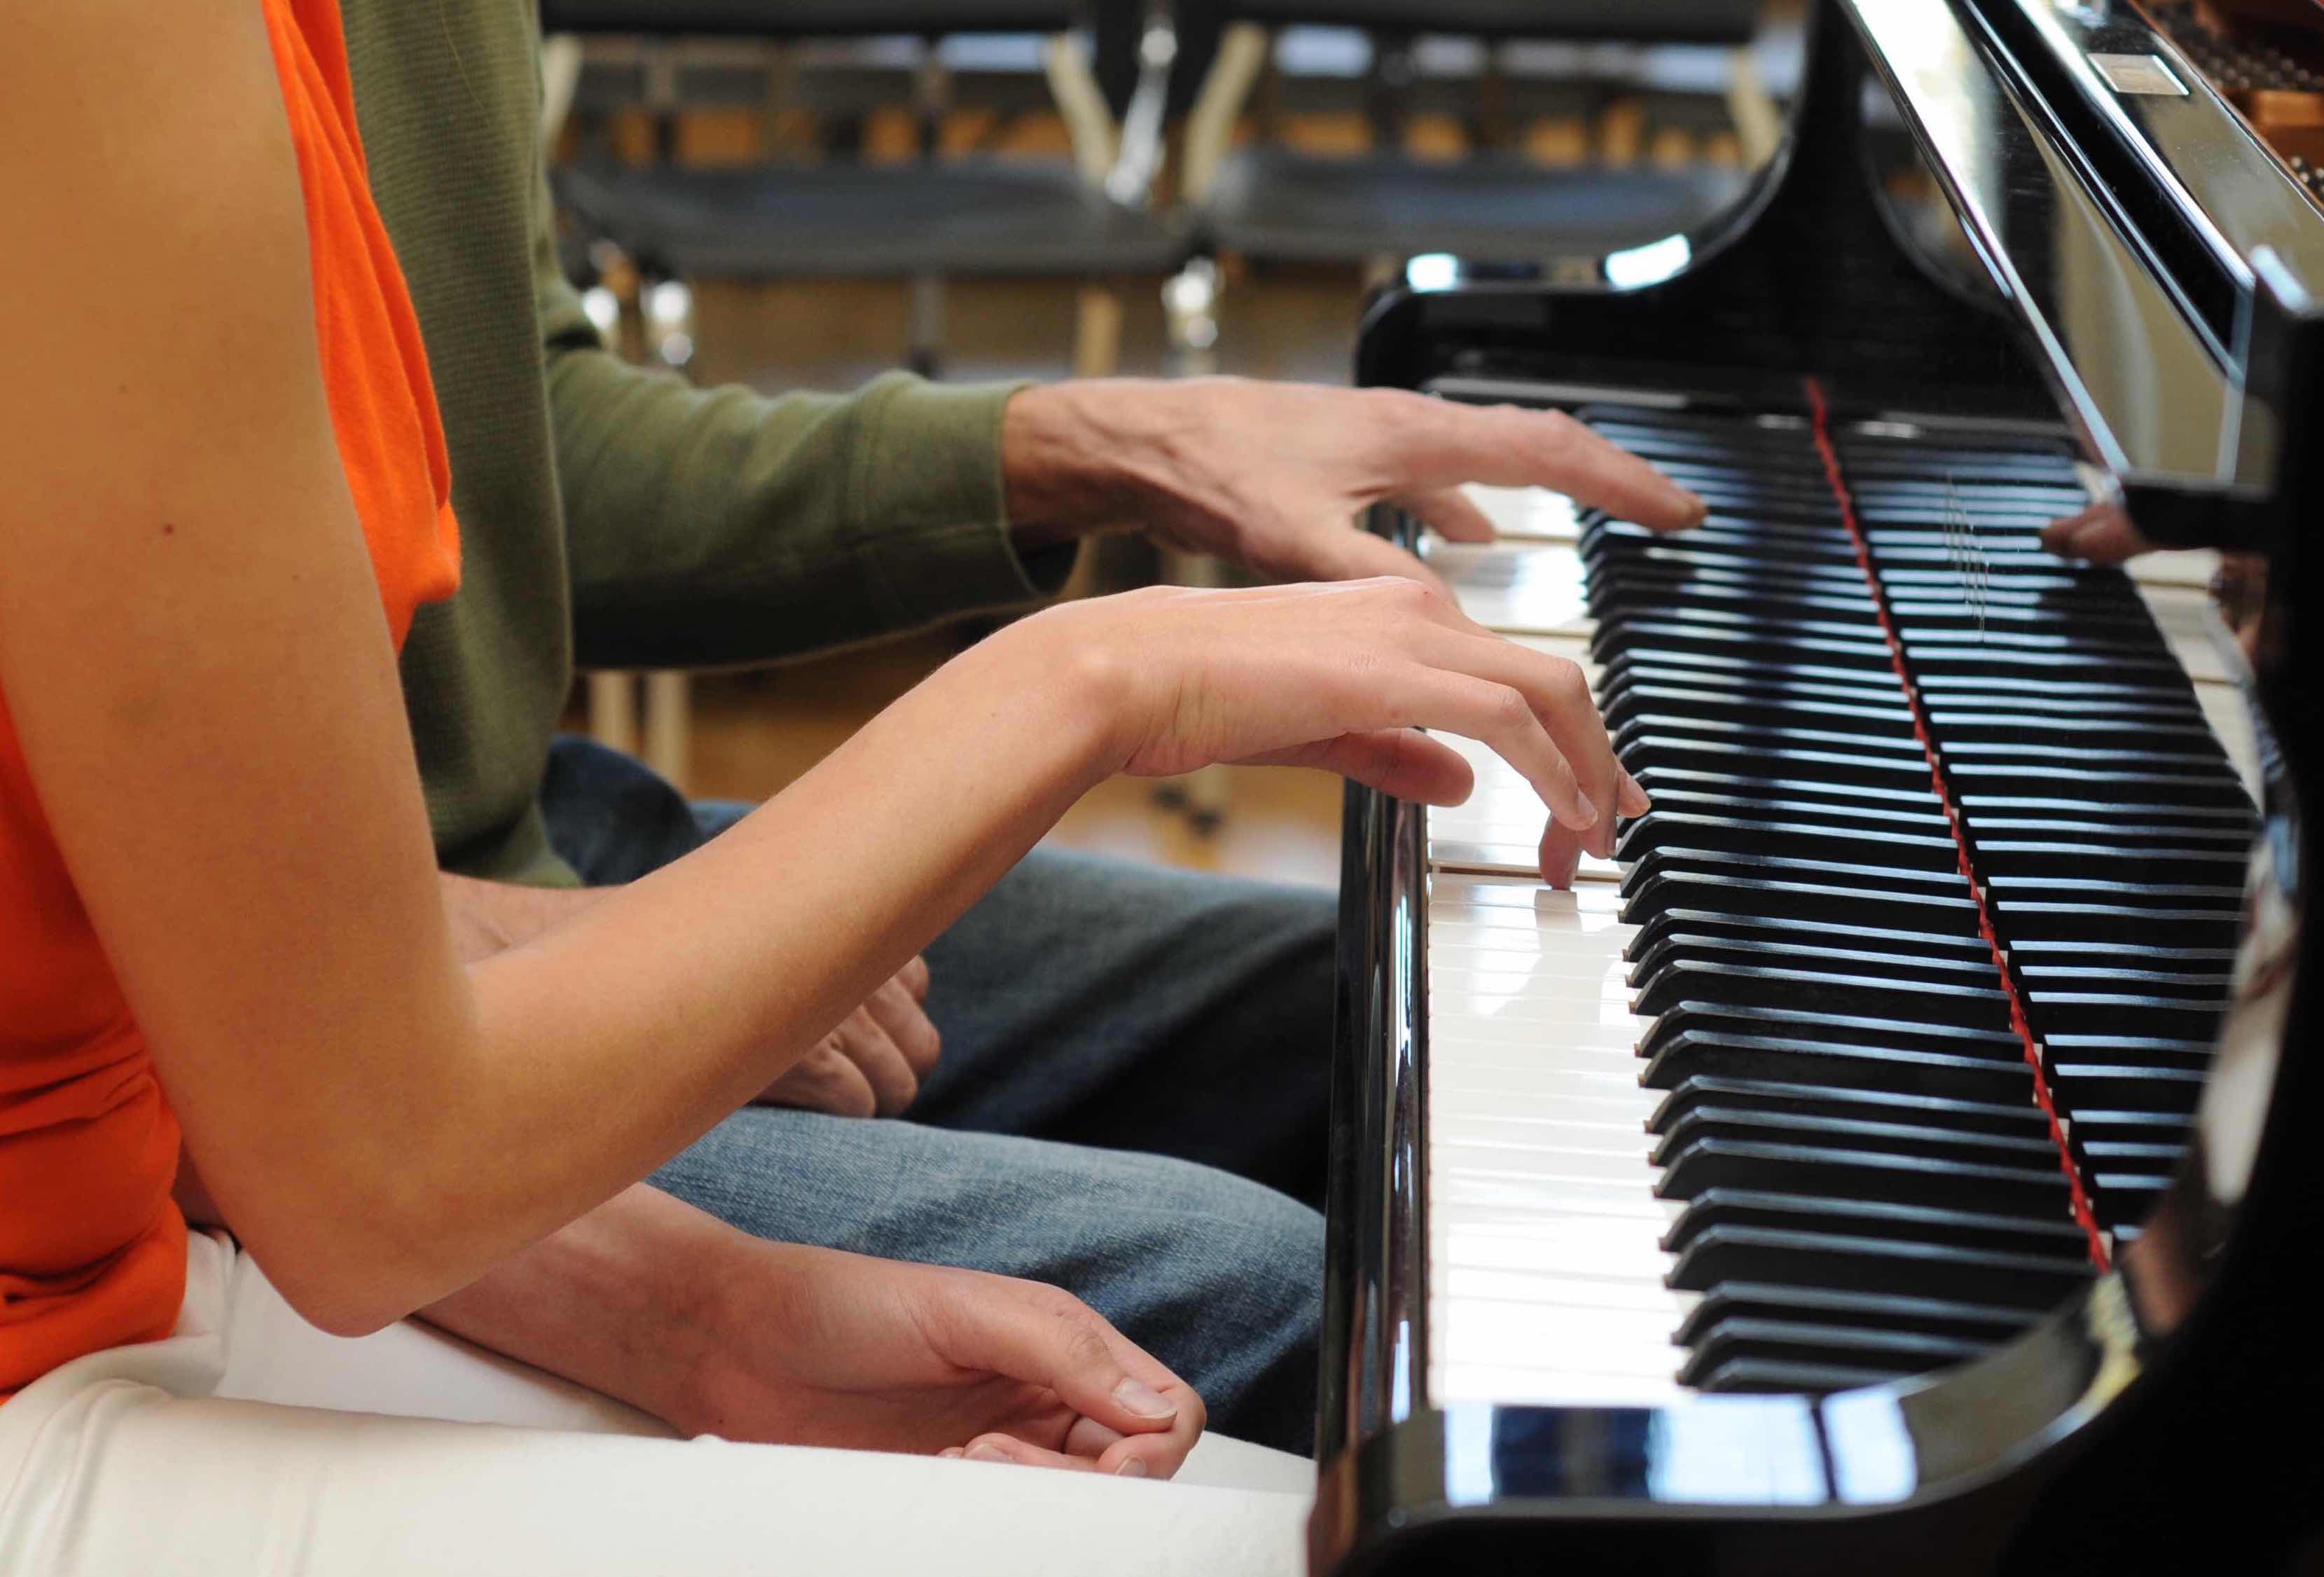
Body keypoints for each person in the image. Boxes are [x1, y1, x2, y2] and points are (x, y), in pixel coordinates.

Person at [0, 0, 1693, 1566]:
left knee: (1368, 1023)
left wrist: (1101, 443)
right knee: (1293, 1328)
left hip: (295, 1021)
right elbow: (353, 1142)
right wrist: (1095, 678)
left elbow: (484, 447)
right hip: (247, 1103)